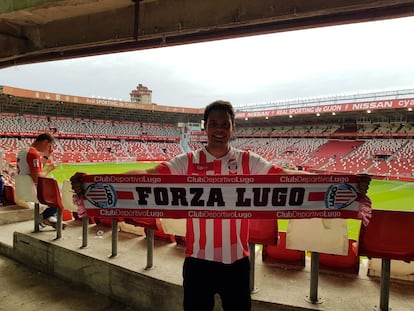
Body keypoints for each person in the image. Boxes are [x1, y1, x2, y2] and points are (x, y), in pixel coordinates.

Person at [71, 100, 370, 311]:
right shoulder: (186, 161)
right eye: (212, 123)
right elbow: (147, 177)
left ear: (232, 128)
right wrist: (96, 183)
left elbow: (287, 177)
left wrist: (344, 184)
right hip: (198, 261)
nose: (218, 129)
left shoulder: (246, 160)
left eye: (223, 124)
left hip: (236, 263)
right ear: (204, 127)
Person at [17, 132, 58, 227]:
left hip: (23, 188)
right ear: (45, 142)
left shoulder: (24, 151)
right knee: (57, 196)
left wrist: (47, 156)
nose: (49, 149)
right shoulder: (33, 154)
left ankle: (47, 218)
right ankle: (44, 217)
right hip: (30, 190)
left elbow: (36, 170)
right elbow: (37, 178)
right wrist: (49, 169)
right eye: (49, 146)